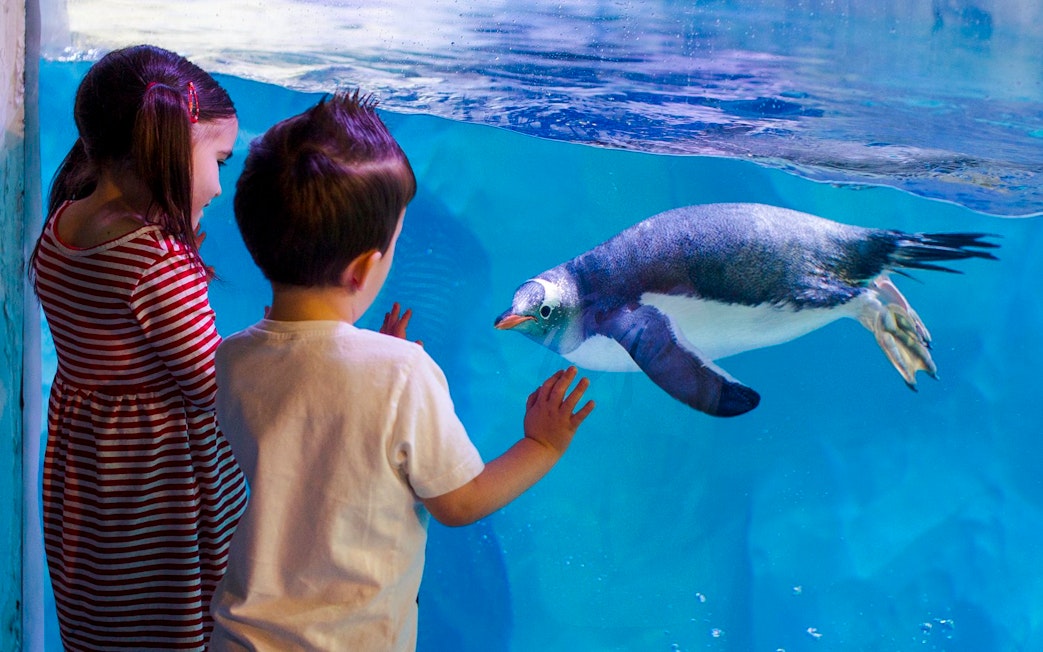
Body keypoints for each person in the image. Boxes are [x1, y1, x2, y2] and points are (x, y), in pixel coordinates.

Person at [208, 91, 596, 651]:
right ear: (369, 265)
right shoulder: (401, 373)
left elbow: (304, 435)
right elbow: (458, 503)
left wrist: (373, 364)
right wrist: (542, 445)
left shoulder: (234, 358)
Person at [29, 45, 248, 651]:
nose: (220, 186)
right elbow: (210, 385)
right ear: (168, 147)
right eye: (219, 159)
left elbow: (115, 333)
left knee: (109, 615)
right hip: (161, 480)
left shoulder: (62, 225)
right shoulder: (155, 259)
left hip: (91, 471)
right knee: (177, 621)